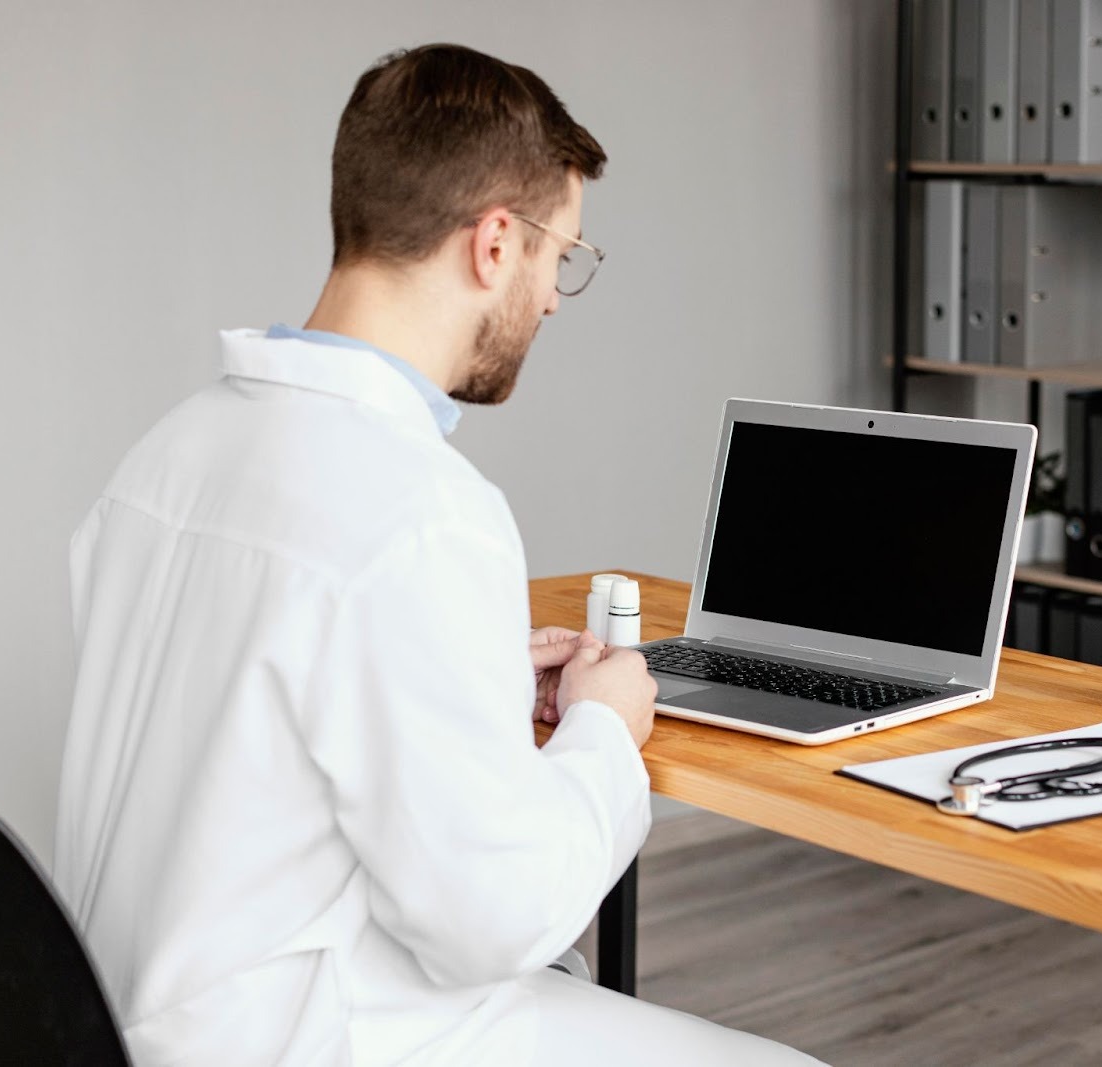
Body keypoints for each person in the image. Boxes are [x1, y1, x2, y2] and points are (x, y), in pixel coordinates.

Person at [53, 43, 820, 1066]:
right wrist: (602, 727)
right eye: (563, 258)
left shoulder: (168, 455)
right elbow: (497, 917)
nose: (553, 297)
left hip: (119, 1021)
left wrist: (479, 679)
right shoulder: (421, 509)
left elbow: (247, 727)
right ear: (495, 244)